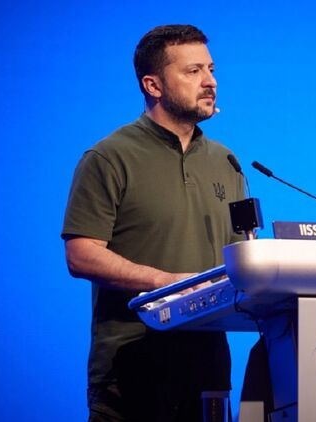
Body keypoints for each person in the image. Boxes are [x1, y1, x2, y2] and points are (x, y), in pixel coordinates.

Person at [61, 24, 244, 421]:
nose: (210, 81)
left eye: (211, 69)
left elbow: (238, 259)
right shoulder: (109, 158)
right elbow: (81, 255)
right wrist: (168, 282)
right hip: (131, 370)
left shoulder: (226, 162)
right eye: (193, 71)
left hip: (208, 372)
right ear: (153, 85)